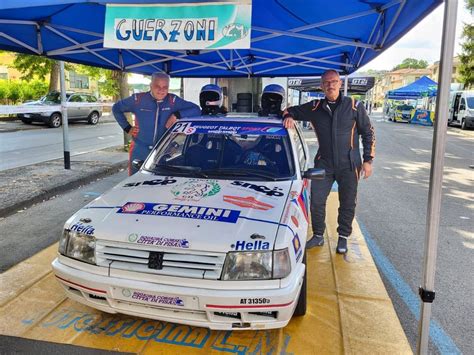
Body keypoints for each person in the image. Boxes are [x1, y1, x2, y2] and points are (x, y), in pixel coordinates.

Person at [283, 69, 375, 254]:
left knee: (348, 202)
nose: (330, 85)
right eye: (326, 82)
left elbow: (368, 133)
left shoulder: (355, 106)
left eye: (334, 81)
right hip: (324, 163)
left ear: (340, 84)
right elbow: (288, 110)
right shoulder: (315, 107)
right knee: (316, 200)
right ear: (321, 86)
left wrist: (368, 160)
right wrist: (288, 116)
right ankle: (318, 235)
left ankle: (343, 237)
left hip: (350, 164)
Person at [113, 72, 201, 175]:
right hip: (140, 150)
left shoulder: (173, 101)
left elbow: (196, 109)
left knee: (160, 182)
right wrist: (127, 128)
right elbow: (116, 108)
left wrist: (176, 115)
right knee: (135, 182)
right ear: (151, 86)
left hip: (163, 151)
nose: (161, 90)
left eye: (165, 87)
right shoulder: (138, 100)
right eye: (157, 86)